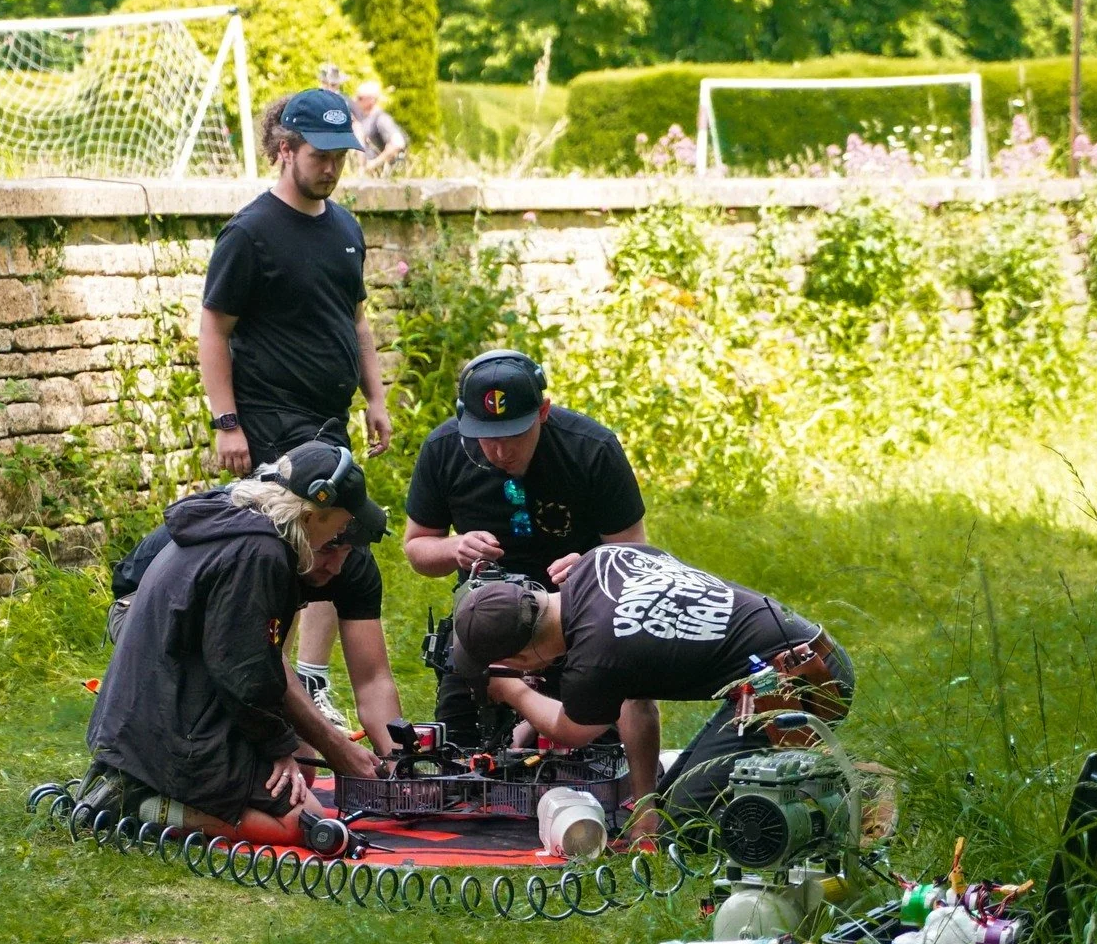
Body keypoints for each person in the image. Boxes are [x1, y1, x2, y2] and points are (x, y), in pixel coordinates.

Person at [84, 441, 383, 849]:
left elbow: (243, 661)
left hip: (151, 718)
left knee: (304, 771)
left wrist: (286, 745)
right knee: (304, 825)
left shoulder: (237, 524)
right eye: (339, 525)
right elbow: (243, 670)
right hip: (173, 731)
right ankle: (138, 804)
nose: (340, 535)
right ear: (313, 516)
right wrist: (278, 749)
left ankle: (136, 783)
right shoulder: (260, 553)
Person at [200, 90, 393, 717]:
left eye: (342, 155)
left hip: (329, 420)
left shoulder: (344, 227)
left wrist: (376, 396)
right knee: (284, 558)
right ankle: (273, 691)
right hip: (270, 419)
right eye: (320, 155)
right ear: (286, 150)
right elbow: (214, 329)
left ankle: (310, 678)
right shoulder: (249, 233)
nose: (333, 168)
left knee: (339, 544)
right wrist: (227, 422)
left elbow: (356, 321)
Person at [448, 543, 854, 839]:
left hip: (803, 685)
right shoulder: (597, 560)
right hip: (793, 660)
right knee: (665, 807)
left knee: (684, 827)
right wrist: (645, 810)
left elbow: (571, 729)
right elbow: (636, 701)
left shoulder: (595, 656)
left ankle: (833, 792)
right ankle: (796, 772)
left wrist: (512, 692)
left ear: (521, 658)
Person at [403, 349, 648, 748]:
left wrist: (592, 567)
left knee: (596, 750)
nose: (499, 452)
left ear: (543, 412)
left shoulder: (591, 449)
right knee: (459, 749)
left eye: (513, 435)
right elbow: (417, 549)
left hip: (578, 619)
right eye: (486, 437)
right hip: (486, 618)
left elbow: (636, 558)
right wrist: (454, 548)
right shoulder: (443, 448)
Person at [108, 480, 404, 754]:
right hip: (146, 609)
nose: (336, 566)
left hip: (232, 623)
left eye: (347, 551)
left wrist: (399, 761)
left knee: (301, 761)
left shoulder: (352, 564)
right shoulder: (264, 547)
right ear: (306, 525)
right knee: (237, 735)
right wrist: (334, 750)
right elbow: (251, 662)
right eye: (328, 549)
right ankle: (141, 790)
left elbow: (372, 679)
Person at [351, 80, 408, 176]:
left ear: (371, 100)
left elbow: (398, 143)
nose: (355, 100)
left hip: (381, 177)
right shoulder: (363, 118)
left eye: (360, 98)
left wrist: (374, 163)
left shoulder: (381, 119)